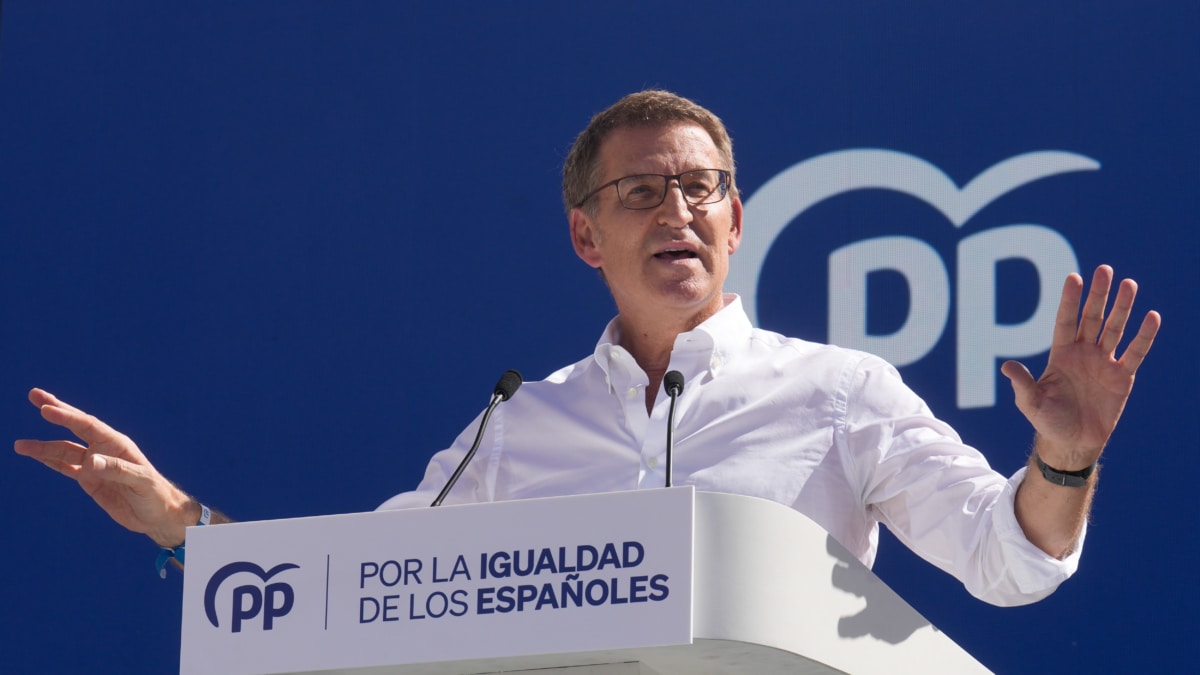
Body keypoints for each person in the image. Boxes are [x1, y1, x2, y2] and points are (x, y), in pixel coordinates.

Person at [14, 90, 1160, 605]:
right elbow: (349, 599)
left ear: (738, 221)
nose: (682, 211)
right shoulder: (521, 424)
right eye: (645, 190)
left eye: (704, 188)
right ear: (585, 234)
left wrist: (1062, 465)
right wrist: (178, 520)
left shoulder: (842, 392)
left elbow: (1009, 565)